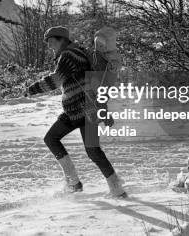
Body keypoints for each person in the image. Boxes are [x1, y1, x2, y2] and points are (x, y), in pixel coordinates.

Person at [24, 26, 127, 198]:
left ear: (61, 39)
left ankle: (85, 184)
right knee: (88, 149)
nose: (49, 45)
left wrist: (31, 89)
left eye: (51, 41)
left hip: (83, 109)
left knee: (63, 142)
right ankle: (102, 187)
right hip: (80, 109)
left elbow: (56, 80)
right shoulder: (77, 53)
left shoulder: (69, 56)